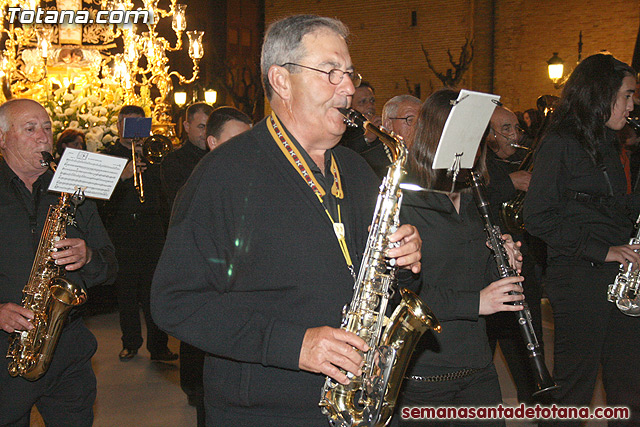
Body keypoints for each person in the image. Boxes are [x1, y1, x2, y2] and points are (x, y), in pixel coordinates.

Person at [151, 15, 422, 426]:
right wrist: (294, 345)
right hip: (266, 410)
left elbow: (377, 281)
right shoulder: (224, 174)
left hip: (363, 399)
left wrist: (404, 264)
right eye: (331, 72)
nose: (348, 88)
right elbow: (176, 302)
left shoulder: (357, 169)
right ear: (281, 80)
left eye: (349, 73)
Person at [396, 89, 525, 426]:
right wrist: (476, 302)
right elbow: (401, 293)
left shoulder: (474, 196)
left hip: (478, 363)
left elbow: (477, 275)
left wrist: (503, 262)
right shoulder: (404, 199)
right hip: (426, 372)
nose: (473, 144)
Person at [523, 53, 640, 425]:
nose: (632, 104)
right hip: (579, 277)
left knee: (629, 387)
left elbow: (612, 209)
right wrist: (602, 250)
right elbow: (537, 216)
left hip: (618, 275)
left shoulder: (608, 141)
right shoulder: (560, 142)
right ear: (601, 94)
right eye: (626, 95)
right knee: (574, 392)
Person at [0, 98, 117, 426]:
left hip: (69, 351)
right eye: (30, 128)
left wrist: (89, 256)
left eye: (48, 128)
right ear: (2, 138)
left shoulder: (72, 192)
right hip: (6, 352)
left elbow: (110, 265)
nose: (43, 137)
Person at [161, 105, 251, 424]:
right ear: (213, 143)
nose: (248, 148)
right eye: (237, 140)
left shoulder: (249, 180)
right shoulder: (199, 187)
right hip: (216, 306)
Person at [100, 105, 177, 362]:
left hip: (151, 227)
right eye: (127, 124)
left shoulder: (155, 155)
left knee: (154, 290)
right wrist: (122, 177)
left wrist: (151, 158)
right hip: (122, 229)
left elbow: (167, 193)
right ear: (119, 126)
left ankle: (159, 346)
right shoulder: (109, 156)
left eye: (138, 125)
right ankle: (130, 342)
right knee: (127, 291)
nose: (133, 131)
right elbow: (102, 202)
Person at [483, 105, 545, 404]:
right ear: (488, 134)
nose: (515, 135)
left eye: (516, 128)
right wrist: (511, 183)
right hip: (485, 270)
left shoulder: (524, 159)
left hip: (521, 265)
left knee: (530, 355)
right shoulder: (477, 162)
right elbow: (471, 198)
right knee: (483, 357)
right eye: (506, 129)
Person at [160, 102, 213, 207]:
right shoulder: (173, 161)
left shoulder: (219, 157)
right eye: (201, 127)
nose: (206, 133)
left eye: (210, 127)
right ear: (187, 126)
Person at [340, 81, 391, 178]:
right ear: (350, 107)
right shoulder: (342, 130)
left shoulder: (380, 128)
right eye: (362, 102)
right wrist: (367, 138)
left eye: (372, 101)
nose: (370, 106)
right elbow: (344, 155)